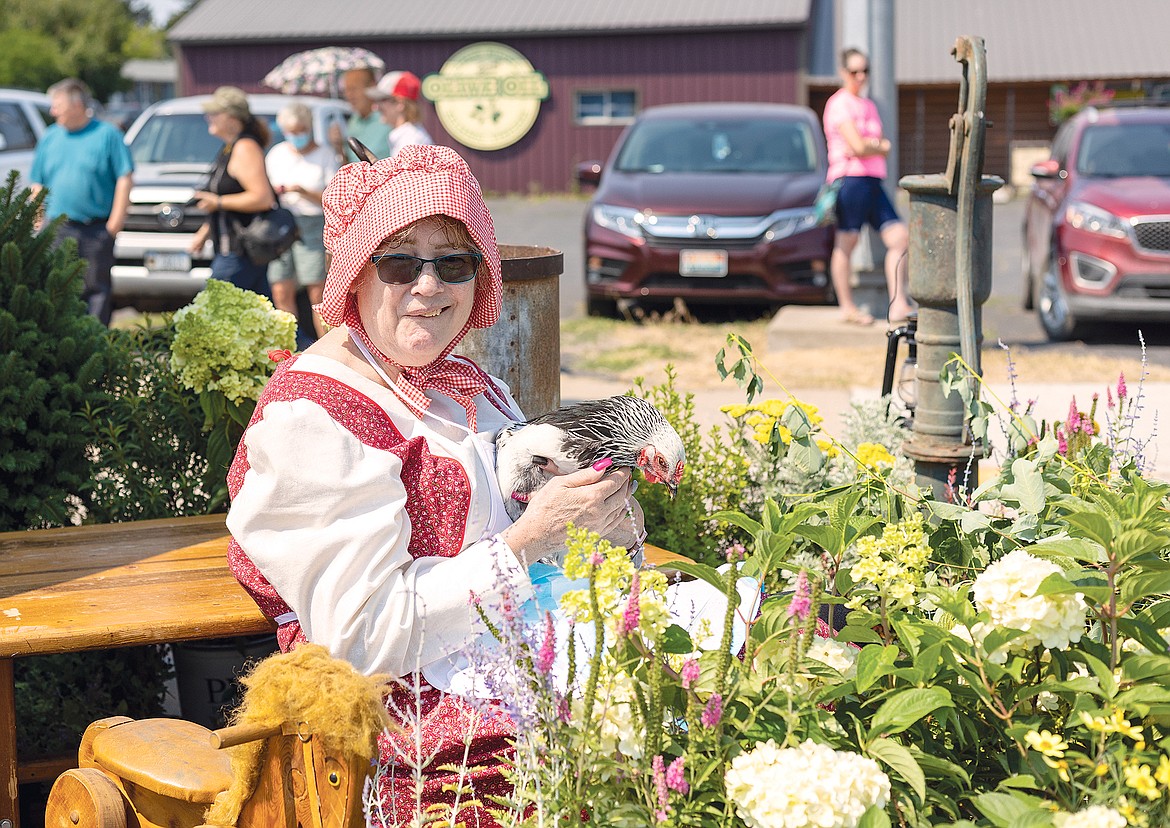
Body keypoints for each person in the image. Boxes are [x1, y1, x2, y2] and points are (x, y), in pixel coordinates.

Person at [224, 144, 644, 825]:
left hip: (518, 665)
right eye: (399, 262)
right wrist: (529, 539)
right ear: (356, 273)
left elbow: (526, 529)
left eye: (454, 263)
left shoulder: (466, 383)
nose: (429, 286)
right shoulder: (313, 417)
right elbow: (361, 639)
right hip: (407, 730)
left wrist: (597, 512)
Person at [30, 78, 134, 326]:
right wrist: (37, 223)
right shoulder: (50, 137)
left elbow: (125, 177)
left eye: (58, 105)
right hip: (58, 227)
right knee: (56, 287)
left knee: (96, 288)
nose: (53, 111)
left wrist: (115, 223)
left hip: (96, 228)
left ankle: (94, 345)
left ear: (77, 105)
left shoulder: (107, 134)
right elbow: (38, 184)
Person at [822, 47, 913, 326]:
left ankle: (899, 302)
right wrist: (872, 146)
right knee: (847, 242)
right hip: (849, 180)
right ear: (842, 73)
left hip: (873, 181)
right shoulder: (839, 104)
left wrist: (870, 147)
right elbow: (860, 145)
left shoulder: (869, 105)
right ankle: (847, 307)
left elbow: (884, 147)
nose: (860, 77)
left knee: (900, 239)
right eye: (854, 72)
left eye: (865, 71)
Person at [188, 86, 277, 299]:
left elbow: (262, 198)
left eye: (214, 113)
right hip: (234, 250)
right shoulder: (230, 146)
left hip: (239, 252)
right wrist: (204, 233)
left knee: (210, 312)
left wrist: (217, 202)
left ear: (232, 119)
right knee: (261, 317)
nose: (208, 117)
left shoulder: (245, 147)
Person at [266, 102, 339, 339]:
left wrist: (302, 191)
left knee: (317, 291)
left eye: (299, 130)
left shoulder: (325, 155)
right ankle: (288, 349)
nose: (295, 136)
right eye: (290, 131)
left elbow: (333, 198)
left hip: (313, 222)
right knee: (280, 287)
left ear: (309, 127)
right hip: (282, 223)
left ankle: (326, 347)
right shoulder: (277, 153)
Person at [366, 70, 433, 158]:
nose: (375, 107)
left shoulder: (411, 141)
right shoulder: (408, 137)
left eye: (382, 100)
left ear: (400, 104)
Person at [329, 67, 391, 162]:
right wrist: (339, 147)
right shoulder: (353, 122)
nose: (349, 95)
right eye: (346, 90)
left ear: (372, 86)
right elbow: (349, 166)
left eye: (353, 89)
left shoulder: (388, 119)